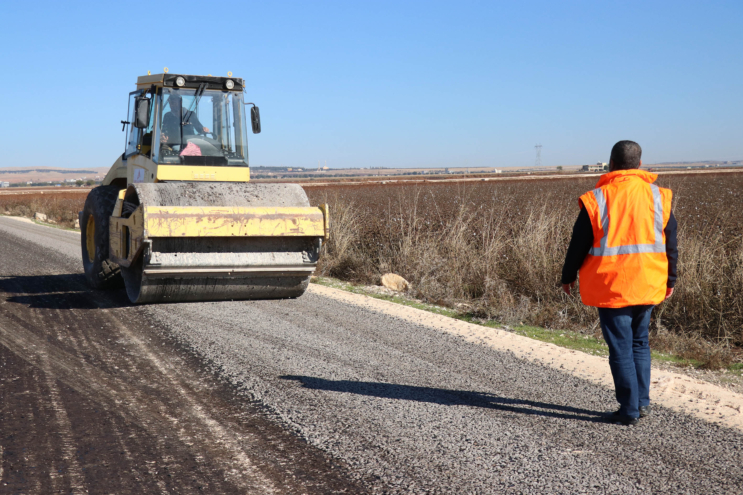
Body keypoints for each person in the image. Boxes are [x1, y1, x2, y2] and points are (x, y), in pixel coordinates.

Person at [561, 140, 678, 426]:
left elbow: (578, 245)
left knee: (621, 348)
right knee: (640, 343)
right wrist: (670, 278)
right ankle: (642, 403)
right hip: (649, 282)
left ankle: (628, 410)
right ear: (639, 164)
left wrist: (567, 276)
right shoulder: (658, 196)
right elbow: (671, 243)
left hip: (612, 285)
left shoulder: (598, 198)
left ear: (610, 164)